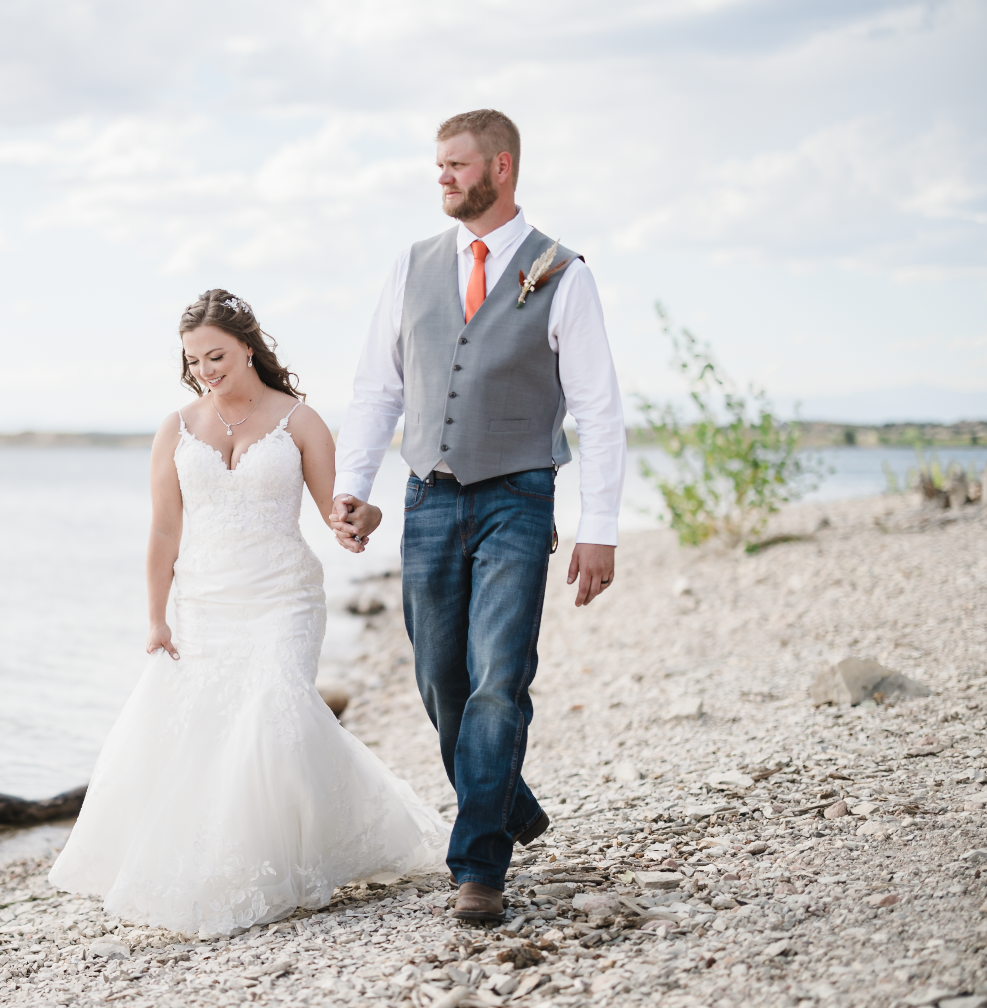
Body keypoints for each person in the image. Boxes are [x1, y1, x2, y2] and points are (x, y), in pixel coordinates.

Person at [48, 290, 448, 936]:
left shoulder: (300, 421)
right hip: (205, 602)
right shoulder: (176, 430)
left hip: (284, 599)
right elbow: (162, 535)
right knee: (209, 735)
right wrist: (156, 619)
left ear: (248, 346)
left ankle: (274, 871)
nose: (206, 369)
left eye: (217, 355)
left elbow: (338, 511)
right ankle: (226, 864)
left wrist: (362, 519)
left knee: (272, 711)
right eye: (194, 360)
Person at [329, 109, 627, 922]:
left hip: (518, 498)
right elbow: (377, 388)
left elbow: (598, 412)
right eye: (438, 167)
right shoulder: (413, 265)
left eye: (456, 165)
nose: (443, 178)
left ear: (501, 167)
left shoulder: (563, 272)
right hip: (428, 495)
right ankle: (508, 802)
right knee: (439, 680)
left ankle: (479, 868)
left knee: (500, 678)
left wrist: (599, 527)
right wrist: (354, 485)